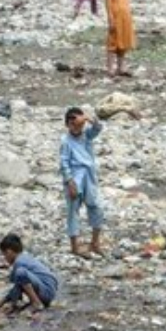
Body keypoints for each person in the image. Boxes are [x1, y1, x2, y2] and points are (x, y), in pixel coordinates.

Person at [60, 107, 105, 257]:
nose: (76, 126)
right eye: (72, 123)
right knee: (73, 211)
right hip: (75, 178)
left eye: (78, 123)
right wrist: (70, 182)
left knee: (96, 206)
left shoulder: (86, 135)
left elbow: (98, 128)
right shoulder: (66, 141)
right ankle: (74, 246)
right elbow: (64, 163)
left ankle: (95, 243)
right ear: (68, 124)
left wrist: (87, 118)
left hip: (89, 177)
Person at [0, 234, 59, 315]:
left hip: (46, 291)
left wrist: (8, 302)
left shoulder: (19, 262)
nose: (5, 258)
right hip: (48, 290)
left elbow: (18, 283)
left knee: (20, 273)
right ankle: (35, 301)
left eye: (4, 254)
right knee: (21, 278)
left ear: (9, 252)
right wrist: (3, 302)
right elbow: (18, 286)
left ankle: (36, 302)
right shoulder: (25, 257)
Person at [105, 0, 136, 78]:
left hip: (125, 17)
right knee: (112, 43)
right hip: (116, 17)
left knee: (123, 43)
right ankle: (110, 68)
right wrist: (110, 18)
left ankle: (121, 67)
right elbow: (108, 3)